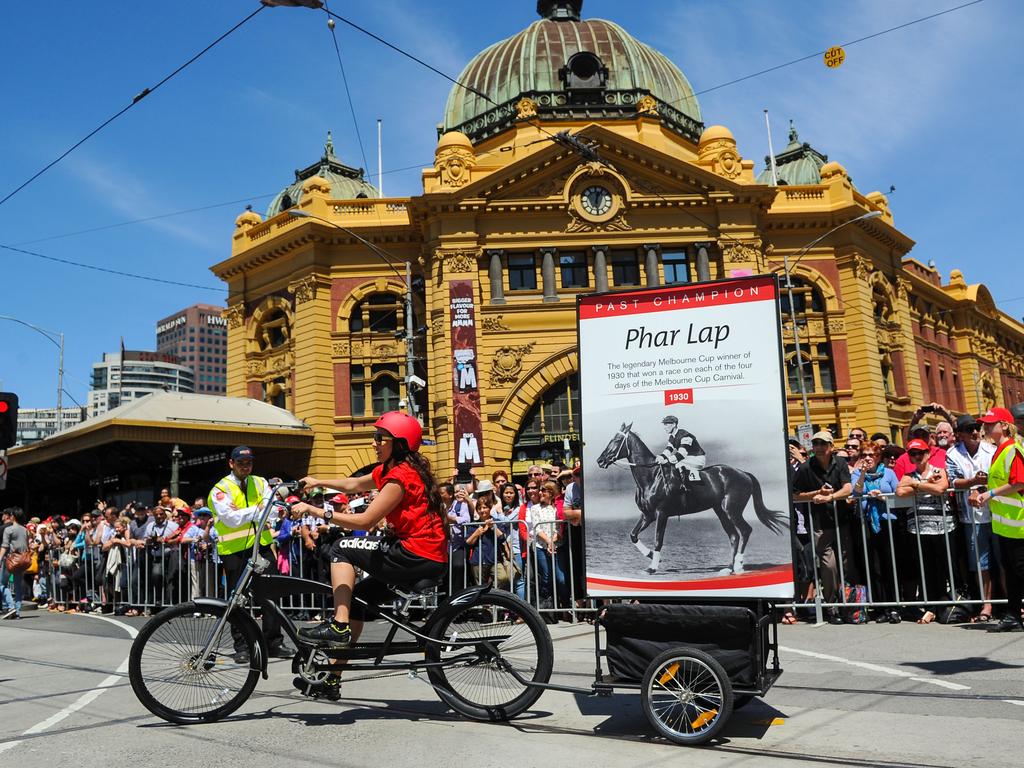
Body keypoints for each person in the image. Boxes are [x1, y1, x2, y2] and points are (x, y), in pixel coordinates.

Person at [292, 412, 447, 699]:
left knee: (342, 548)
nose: (373, 442)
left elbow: (364, 522)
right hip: (419, 554)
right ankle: (331, 679)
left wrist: (314, 510)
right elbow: (354, 485)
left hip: (415, 554)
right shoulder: (392, 469)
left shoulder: (401, 477)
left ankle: (338, 626)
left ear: (398, 444)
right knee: (358, 604)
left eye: (379, 438)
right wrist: (316, 481)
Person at [208, 446, 294, 663]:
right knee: (239, 600)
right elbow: (231, 519)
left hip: (262, 545)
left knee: (271, 595)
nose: (245, 466)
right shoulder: (220, 489)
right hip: (234, 550)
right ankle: (242, 645)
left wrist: (255, 510)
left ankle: (273, 642)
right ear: (231, 463)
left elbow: (273, 510)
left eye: (249, 462)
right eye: (240, 462)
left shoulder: (261, 482)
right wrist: (260, 509)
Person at [791, 431, 853, 624]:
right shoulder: (805, 467)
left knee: (845, 564)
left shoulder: (840, 463)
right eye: (816, 443)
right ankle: (831, 605)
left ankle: (847, 605)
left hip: (842, 520)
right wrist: (816, 493)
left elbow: (848, 488)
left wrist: (830, 497)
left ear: (831, 446)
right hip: (819, 524)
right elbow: (794, 495)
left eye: (823, 444)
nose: (818, 447)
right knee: (829, 565)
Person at [973, 407, 1024, 632]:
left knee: (1019, 572)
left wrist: (989, 494)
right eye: (984, 423)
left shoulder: (1013, 449)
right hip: (1006, 525)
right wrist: (983, 491)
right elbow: (1000, 482)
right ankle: (1013, 616)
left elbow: (1019, 482)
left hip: (1019, 524)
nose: (984, 426)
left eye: (989, 423)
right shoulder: (999, 450)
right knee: (1012, 573)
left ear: (1004, 425)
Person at [896, 438, 956, 624]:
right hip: (919, 529)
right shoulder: (908, 475)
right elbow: (899, 491)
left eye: (920, 453)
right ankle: (931, 607)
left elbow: (940, 488)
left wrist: (916, 485)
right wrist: (923, 484)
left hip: (943, 527)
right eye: (912, 454)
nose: (916, 457)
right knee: (926, 569)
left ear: (928, 454)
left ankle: (945, 604)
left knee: (944, 568)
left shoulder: (939, 471)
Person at [946, 414, 997, 622]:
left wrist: (982, 486)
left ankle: (1013, 601)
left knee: (1004, 562)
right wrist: (972, 482)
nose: (975, 431)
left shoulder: (991, 450)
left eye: (977, 427)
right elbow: (953, 480)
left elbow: (1001, 477)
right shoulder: (953, 453)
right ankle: (987, 605)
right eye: (969, 429)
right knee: (980, 564)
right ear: (960, 435)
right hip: (971, 518)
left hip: (998, 512)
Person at [850, 444, 900, 622]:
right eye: (864, 454)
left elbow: (900, 493)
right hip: (867, 522)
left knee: (889, 565)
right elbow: (856, 491)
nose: (868, 458)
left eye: (871, 454)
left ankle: (894, 607)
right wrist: (862, 474)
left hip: (887, 522)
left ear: (878, 456)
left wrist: (883, 497)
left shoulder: (888, 473)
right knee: (875, 567)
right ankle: (880, 608)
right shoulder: (857, 473)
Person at [656, 415, 706, 483]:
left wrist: (666, 460)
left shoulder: (685, 435)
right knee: (672, 464)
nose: (664, 428)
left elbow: (681, 454)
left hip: (697, 459)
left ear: (674, 424)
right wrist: (661, 457)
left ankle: (686, 488)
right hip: (688, 459)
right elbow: (668, 450)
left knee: (677, 465)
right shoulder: (672, 437)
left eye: (666, 424)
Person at [1, 507, 31, 620]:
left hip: (10, 560)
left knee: (1, 584)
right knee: (18, 586)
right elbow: (26, 545)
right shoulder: (25, 530)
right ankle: (17, 612)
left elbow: (4, 546)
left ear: (13, 516)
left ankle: (11, 606)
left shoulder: (9, 530)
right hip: (22, 561)